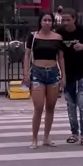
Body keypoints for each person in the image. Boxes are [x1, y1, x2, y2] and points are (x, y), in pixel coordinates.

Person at [23, 12, 65, 149]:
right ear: (40, 21)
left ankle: (46, 137)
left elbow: (61, 58)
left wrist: (63, 75)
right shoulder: (33, 36)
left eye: (49, 20)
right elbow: (27, 55)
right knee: (38, 107)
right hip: (37, 72)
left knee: (50, 107)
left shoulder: (57, 37)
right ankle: (34, 138)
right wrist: (25, 73)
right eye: (45, 20)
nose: (47, 22)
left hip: (53, 73)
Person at [58, 8, 83, 146]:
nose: (65, 23)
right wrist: (62, 75)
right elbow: (59, 55)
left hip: (82, 73)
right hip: (68, 73)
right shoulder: (60, 32)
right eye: (63, 20)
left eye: (68, 20)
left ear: (74, 19)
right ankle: (74, 133)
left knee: (82, 104)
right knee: (71, 104)